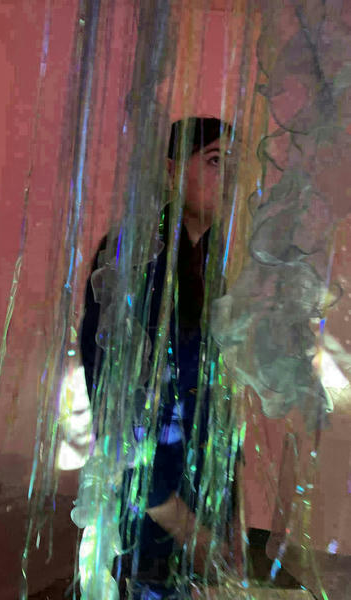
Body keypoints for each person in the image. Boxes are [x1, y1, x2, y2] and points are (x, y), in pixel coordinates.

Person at [80, 117, 234, 598]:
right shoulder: (131, 255)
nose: (228, 177)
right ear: (172, 170)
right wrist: (189, 529)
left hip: (200, 504)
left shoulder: (212, 260)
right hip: (149, 519)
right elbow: (116, 411)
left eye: (234, 164)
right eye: (214, 161)